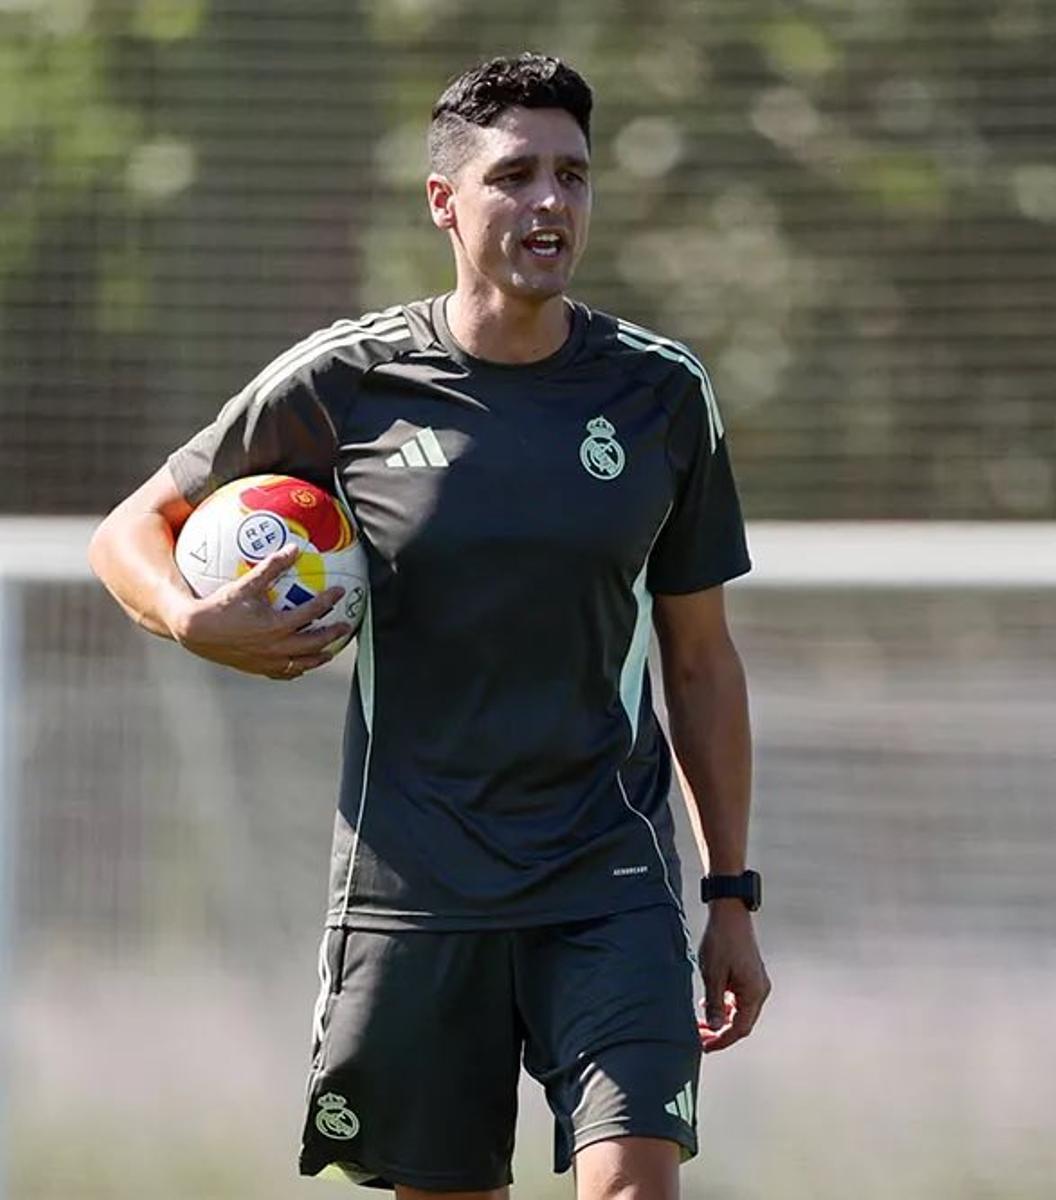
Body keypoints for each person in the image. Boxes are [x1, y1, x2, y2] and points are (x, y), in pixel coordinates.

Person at [89, 52, 769, 1200]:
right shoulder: (347, 382)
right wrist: (191, 619)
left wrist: (732, 897)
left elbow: (699, 666)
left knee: (633, 1188)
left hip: (608, 880)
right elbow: (131, 529)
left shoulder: (659, 395)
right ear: (445, 202)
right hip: (415, 894)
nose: (551, 202)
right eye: (516, 176)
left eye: (573, 175)